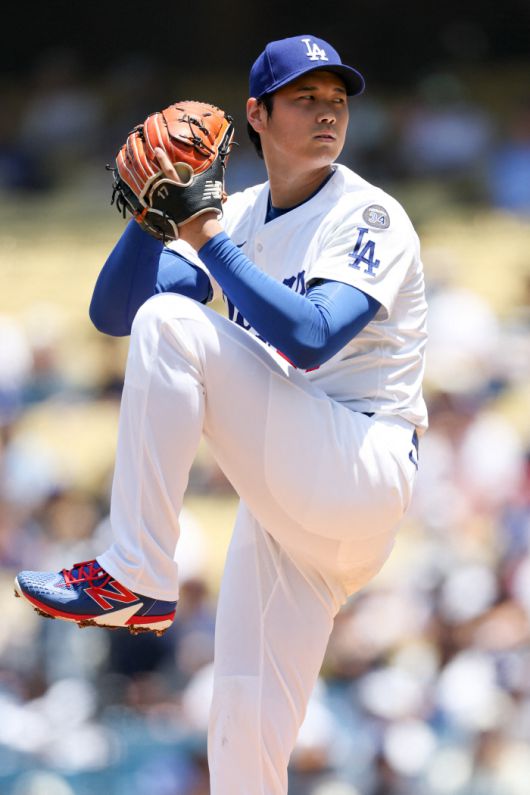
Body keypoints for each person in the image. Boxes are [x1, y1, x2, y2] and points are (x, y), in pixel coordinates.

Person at [15, 34, 428, 795]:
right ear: (257, 116)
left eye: (337, 99)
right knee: (239, 735)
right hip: (292, 511)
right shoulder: (236, 213)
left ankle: (135, 569)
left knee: (174, 325)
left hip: (359, 460)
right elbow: (112, 312)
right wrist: (150, 216)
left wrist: (201, 232)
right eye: (305, 98)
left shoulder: (369, 213)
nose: (327, 112)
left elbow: (309, 338)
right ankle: (138, 576)